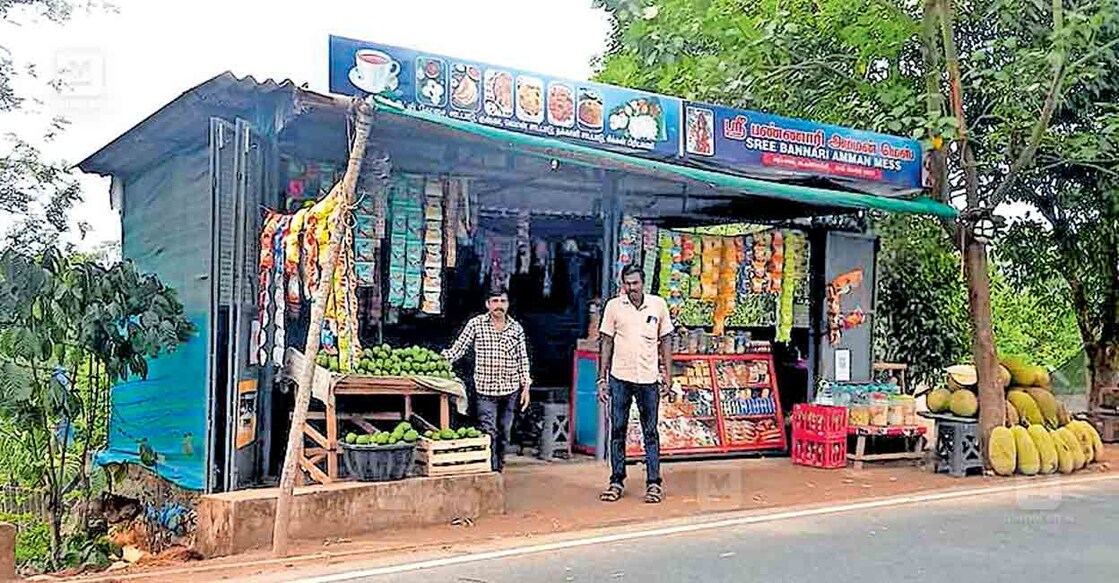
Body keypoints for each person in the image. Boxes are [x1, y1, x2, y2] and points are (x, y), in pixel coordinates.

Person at [597, 264, 673, 504]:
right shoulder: (613, 307)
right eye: (627, 284)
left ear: (643, 283)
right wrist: (602, 378)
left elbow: (666, 340)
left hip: (649, 379)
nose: (631, 288)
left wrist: (667, 374)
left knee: (650, 432)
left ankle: (654, 483)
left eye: (635, 283)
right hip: (620, 378)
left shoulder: (658, 305)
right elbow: (606, 343)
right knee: (617, 430)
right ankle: (616, 480)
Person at [443, 287, 532, 473]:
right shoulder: (476, 324)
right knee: (488, 429)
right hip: (485, 388)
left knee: (505, 432)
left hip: (510, 388)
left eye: (502, 301)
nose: (499, 306)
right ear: (487, 304)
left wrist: (526, 388)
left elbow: (522, 359)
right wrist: (441, 362)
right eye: (495, 301)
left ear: (507, 305)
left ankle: (499, 466)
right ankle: (490, 471)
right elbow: (459, 348)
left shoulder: (516, 328)